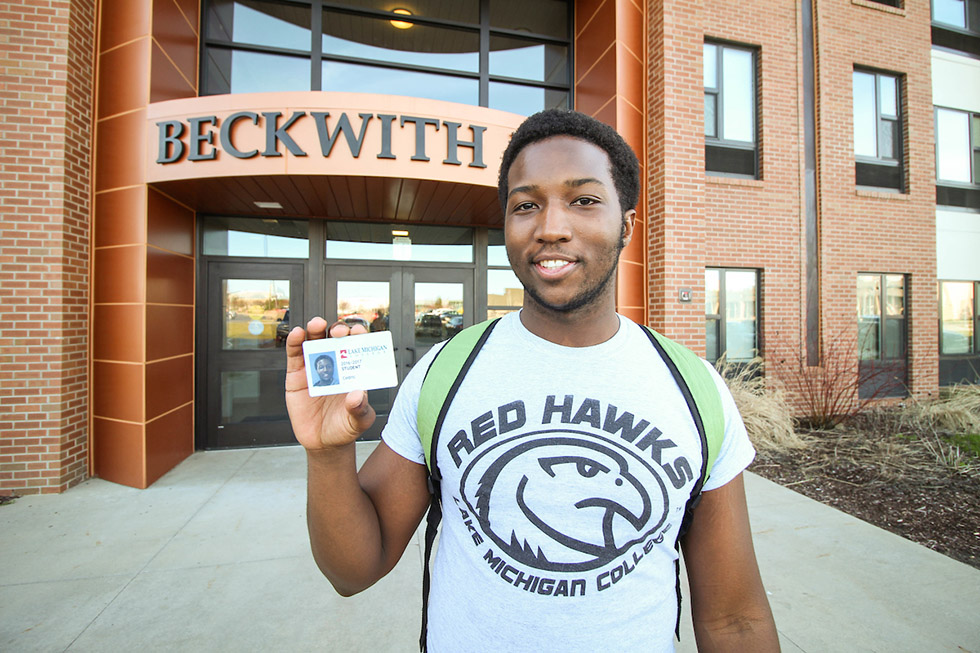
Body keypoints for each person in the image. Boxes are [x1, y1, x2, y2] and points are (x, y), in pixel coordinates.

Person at [285, 109, 779, 652]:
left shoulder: (693, 388)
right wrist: (327, 455)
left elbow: (735, 620)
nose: (551, 228)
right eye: (526, 205)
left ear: (629, 225)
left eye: (584, 200)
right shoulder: (445, 372)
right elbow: (355, 570)